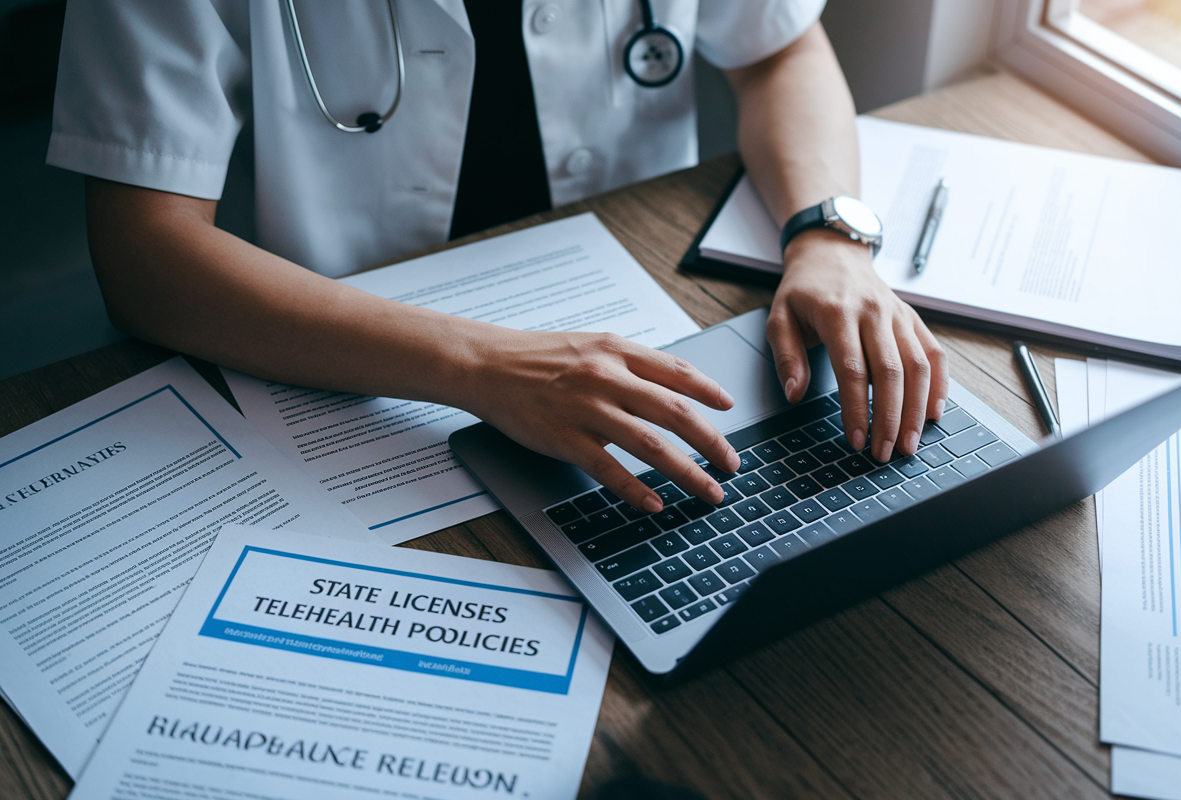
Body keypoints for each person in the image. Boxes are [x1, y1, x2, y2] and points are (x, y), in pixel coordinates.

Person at [48, 1, 947, 515]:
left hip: (636, 307)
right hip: (345, 362)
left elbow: (778, 49)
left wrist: (830, 237)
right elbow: (143, 251)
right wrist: (479, 365)